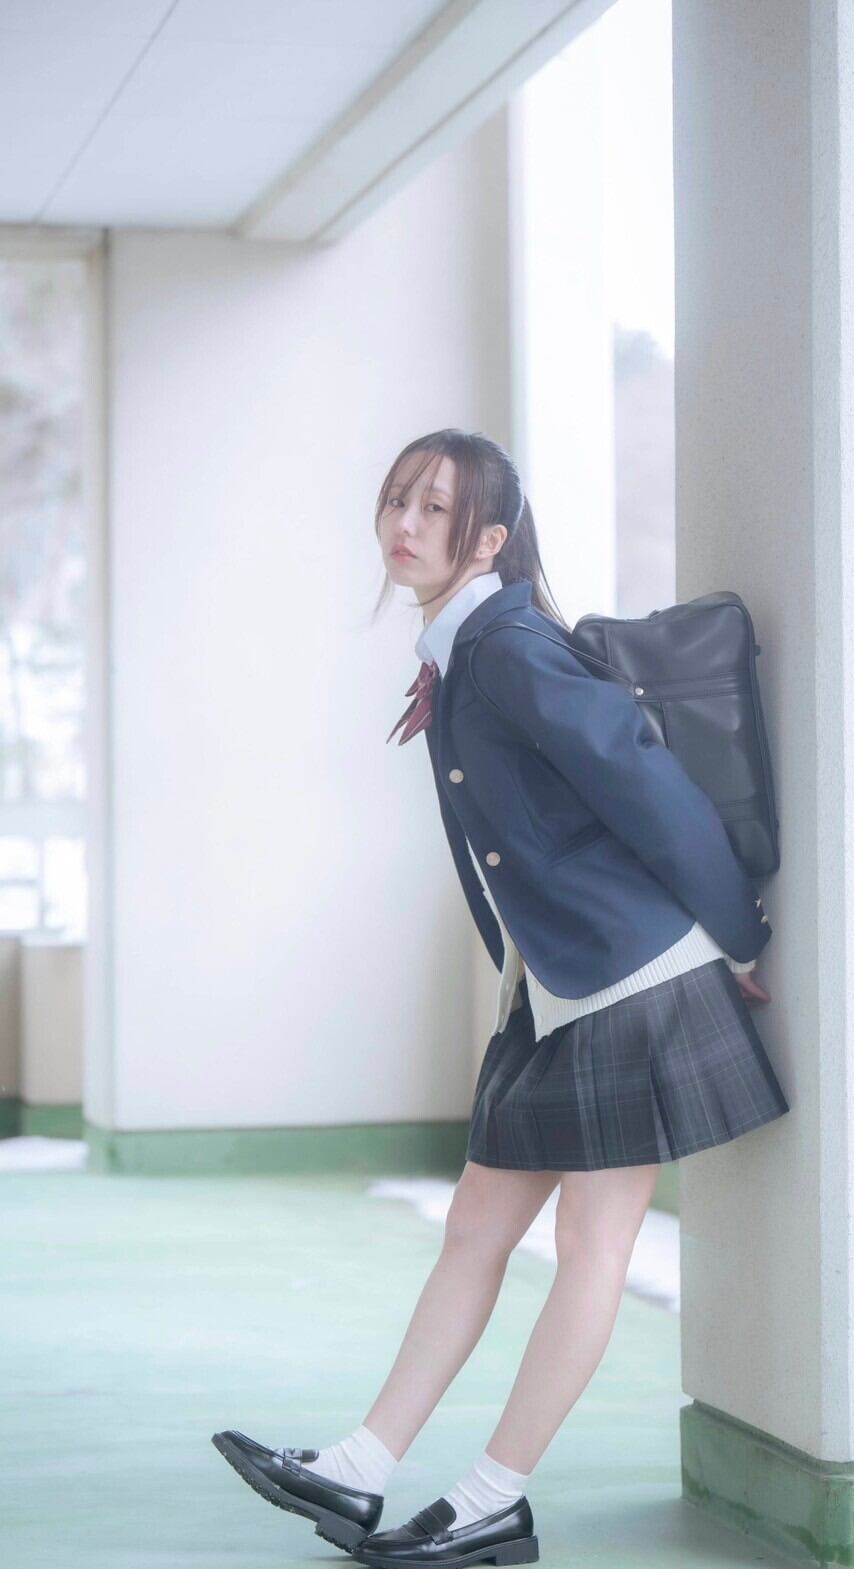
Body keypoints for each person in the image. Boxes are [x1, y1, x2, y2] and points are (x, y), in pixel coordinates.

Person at [212, 429, 789, 1565]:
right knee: (477, 1224)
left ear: (487, 539)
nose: (405, 524)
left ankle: (493, 1498)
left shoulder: (511, 647)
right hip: (556, 983)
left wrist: (737, 933)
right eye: (397, 500)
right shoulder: (467, 646)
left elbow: (646, 781)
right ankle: (360, 1467)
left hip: (633, 973)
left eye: (435, 508)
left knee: (593, 1241)